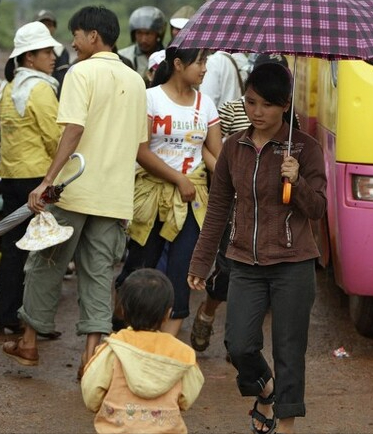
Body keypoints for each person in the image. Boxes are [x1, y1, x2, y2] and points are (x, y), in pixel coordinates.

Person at [2, 6, 146, 378]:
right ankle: (90, 359)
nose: (71, 43)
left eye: (76, 35)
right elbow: (138, 144)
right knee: (99, 274)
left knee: (44, 262)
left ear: (93, 37)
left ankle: (30, 343)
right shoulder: (135, 80)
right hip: (114, 196)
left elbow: (73, 130)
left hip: (75, 189)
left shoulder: (80, 73)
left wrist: (47, 180)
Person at [187, 62, 327, 434]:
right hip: (244, 262)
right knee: (238, 343)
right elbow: (217, 208)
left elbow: (318, 209)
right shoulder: (234, 147)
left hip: (293, 263)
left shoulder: (305, 149)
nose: (257, 112)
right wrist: (201, 261)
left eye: (267, 104)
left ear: (284, 105)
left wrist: (296, 182)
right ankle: (266, 391)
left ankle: (286, 424)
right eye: (250, 102)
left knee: (288, 348)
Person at [118, 46, 221, 338]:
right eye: (199, 62)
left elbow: (215, 154)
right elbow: (140, 151)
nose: (204, 69)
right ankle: (127, 333)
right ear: (178, 64)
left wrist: (228, 181)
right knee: (140, 267)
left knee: (182, 272)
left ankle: (164, 347)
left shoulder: (206, 105)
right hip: (151, 197)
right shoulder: (151, 99)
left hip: (191, 201)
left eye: (206, 62)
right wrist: (178, 178)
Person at [187, 53, 285, 355]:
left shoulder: (288, 120)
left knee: (258, 276)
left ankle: (241, 341)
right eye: (255, 99)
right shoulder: (230, 110)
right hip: (234, 205)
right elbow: (215, 148)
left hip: (268, 209)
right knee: (227, 270)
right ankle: (208, 311)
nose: (260, 110)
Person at [0, 21, 63, 336]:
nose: (52, 56)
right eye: (46, 51)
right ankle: (34, 318)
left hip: (10, 176)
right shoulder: (40, 88)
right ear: (29, 57)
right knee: (43, 250)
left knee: (13, 247)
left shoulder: (9, 88)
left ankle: (5, 312)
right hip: (37, 179)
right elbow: (55, 137)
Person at [80, 268, 205, 434]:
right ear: (167, 314)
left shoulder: (113, 349)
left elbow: (91, 394)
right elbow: (188, 396)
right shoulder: (182, 354)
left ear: (123, 311)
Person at [118, 5, 166, 83]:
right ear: (134, 34)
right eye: (139, 33)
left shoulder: (167, 56)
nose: (143, 39)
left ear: (158, 34)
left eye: (148, 34)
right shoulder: (123, 56)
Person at [34, 8, 72, 86]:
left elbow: (61, 80)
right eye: (42, 24)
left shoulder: (60, 50)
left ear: (55, 28)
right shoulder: (26, 48)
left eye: (49, 25)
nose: (46, 28)